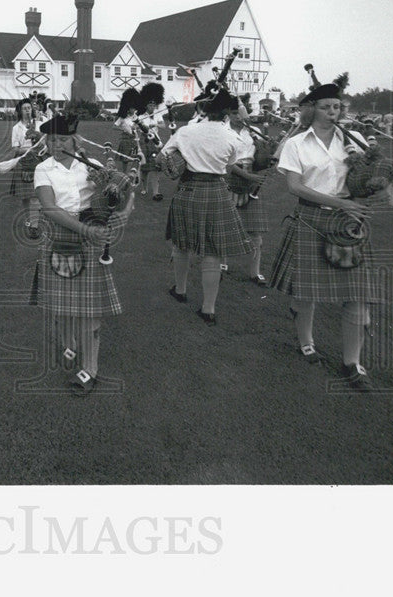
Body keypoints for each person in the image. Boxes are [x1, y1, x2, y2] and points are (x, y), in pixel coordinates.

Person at [267, 74, 380, 389]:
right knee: (306, 292)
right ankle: (306, 342)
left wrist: (370, 187)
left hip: (348, 225)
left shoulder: (354, 139)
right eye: (326, 107)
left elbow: (366, 177)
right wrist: (338, 203)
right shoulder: (295, 143)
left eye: (337, 106)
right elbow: (294, 186)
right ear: (312, 110)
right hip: (311, 219)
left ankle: (353, 363)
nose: (333, 112)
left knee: (358, 296)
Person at [30, 112, 134, 396]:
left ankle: (89, 369)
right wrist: (84, 230)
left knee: (89, 312)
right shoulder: (44, 169)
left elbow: (118, 197)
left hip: (91, 238)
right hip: (61, 237)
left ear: (74, 140)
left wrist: (112, 188)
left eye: (62, 139)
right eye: (51, 140)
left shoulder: (94, 165)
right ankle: (69, 343)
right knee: (63, 306)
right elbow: (49, 208)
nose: (56, 145)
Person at [159, 88, 252, 325]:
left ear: (206, 110)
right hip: (216, 192)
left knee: (182, 244)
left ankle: (180, 290)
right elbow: (230, 167)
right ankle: (208, 308)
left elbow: (162, 157)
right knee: (212, 252)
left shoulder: (186, 131)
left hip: (188, 190)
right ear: (227, 115)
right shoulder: (234, 138)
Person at [226, 103, 270, 284]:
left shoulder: (253, 133)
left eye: (241, 113)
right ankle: (222, 264)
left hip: (251, 182)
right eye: (234, 113)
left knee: (255, 231)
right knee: (225, 227)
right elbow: (227, 163)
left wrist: (267, 152)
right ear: (229, 114)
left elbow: (260, 161)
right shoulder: (223, 132)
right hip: (230, 178)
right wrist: (248, 176)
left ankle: (255, 272)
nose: (238, 116)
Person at [10, 98, 44, 238]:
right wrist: (29, 150)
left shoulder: (40, 124)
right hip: (24, 164)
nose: (27, 110)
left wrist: (38, 139)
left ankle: (34, 226)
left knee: (35, 196)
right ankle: (29, 219)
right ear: (20, 111)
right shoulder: (16, 128)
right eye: (24, 108)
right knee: (25, 197)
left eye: (29, 108)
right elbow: (15, 149)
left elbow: (47, 143)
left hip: (39, 163)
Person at [136, 82, 166, 201]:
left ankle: (156, 192)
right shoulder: (141, 116)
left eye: (154, 105)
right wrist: (140, 126)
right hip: (144, 142)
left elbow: (164, 126)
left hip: (155, 141)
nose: (152, 107)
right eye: (150, 105)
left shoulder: (157, 115)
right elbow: (136, 128)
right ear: (146, 105)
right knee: (144, 168)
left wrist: (155, 123)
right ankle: (144, 187)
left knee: (156, 167)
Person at [113, 87, 143, 184]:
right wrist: (123, 129)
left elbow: (140, 127)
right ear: (128, 108)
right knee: (125, 160)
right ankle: (124, 177)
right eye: (131, 108)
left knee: (136, 159)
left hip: (135, 140)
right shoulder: (122, 118)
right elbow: (114, 127)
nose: (133, 110)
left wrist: (137, 127)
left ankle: (136, 176)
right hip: (125, 140)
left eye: (134, 108)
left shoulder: (136, 118)